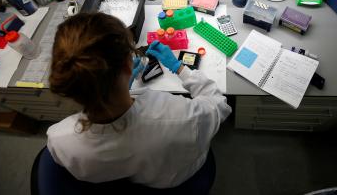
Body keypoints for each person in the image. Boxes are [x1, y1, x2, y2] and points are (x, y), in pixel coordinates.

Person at [46, 12, 232, 189]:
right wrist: (179, 68)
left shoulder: (58, 138)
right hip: (172, 178)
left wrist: (124, 86)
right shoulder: (181, 117)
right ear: (128, 65)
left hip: (128, 179)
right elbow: (219, 104)